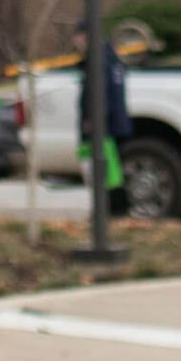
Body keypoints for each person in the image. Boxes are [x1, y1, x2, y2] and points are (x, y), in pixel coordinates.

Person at [71, 22, 133, 216]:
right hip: (114, 121)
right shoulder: (110, 54)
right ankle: (112, 209)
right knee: (111, 169)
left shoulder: (98, 58)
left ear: (85, 36)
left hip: (102, 123)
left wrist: (93, 119)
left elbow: (97, 92)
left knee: (103, 170)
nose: (76, 42)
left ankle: (111, 210)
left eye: (78, 37)